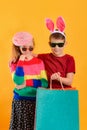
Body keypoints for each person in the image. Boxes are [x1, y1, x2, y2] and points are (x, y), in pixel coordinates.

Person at [9, 32, 48, 130]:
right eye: (24, 48)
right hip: (21, 102)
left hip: (36, 101)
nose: (28, 51)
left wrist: (27, 83)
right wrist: (21, 62)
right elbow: (18, 81)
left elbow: (44, 83)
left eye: (31, 48)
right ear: (19, 48)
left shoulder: (39, 62)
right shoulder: (14, 63)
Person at [37, 16, 75, 89]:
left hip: (64, 93)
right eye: (53, 44)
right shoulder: (45, 57)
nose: (56, 48)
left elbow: (69, 81)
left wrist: (58, 78)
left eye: (60, 45)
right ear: (49, 44)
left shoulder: (69, 59)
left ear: (65, 43)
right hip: (49, 93)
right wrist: (15, 57)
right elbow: (29, 54)